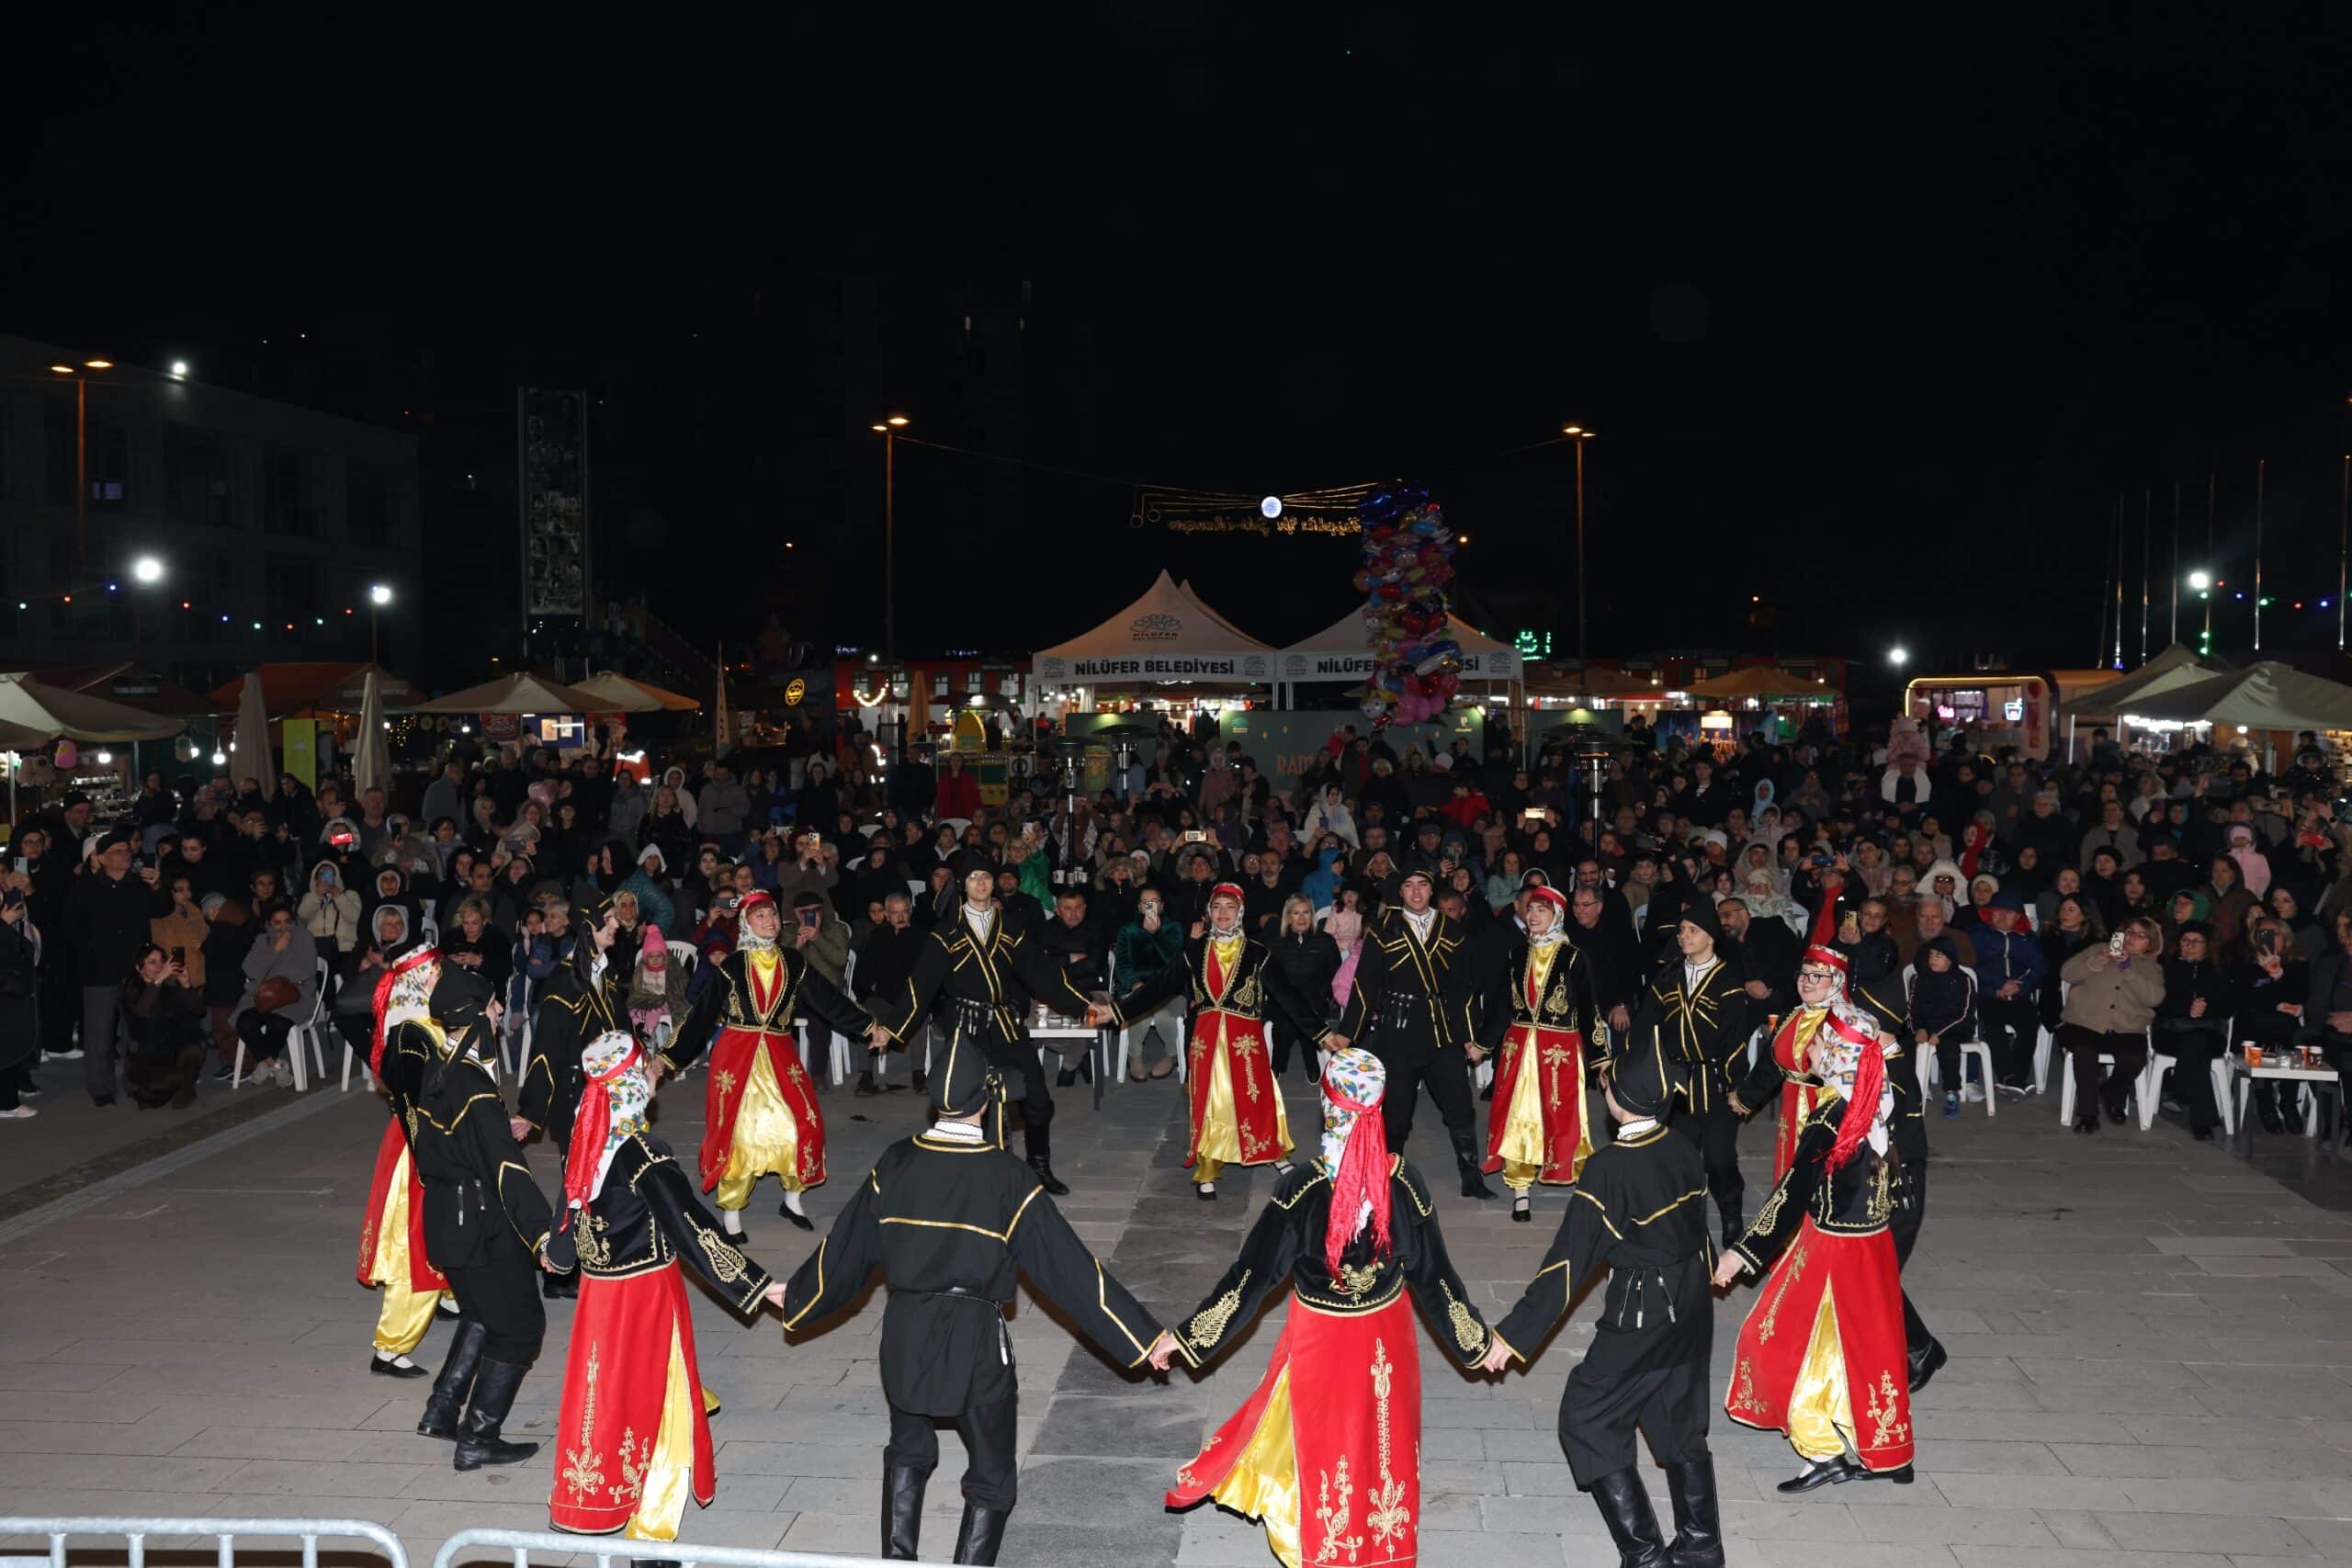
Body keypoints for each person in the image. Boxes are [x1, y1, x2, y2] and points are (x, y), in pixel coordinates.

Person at [778, 1030, 1169, 1565]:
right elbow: (1072, 1272)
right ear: (985, 1103)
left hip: (905, 1329)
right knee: (991, 1475)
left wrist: (796, 1295)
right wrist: (1142, 1337)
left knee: (908, 1449)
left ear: (936, 1100)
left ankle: (898, 1559)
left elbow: (845, 1249)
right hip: (975, 1339)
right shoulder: (1007, 1176)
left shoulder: (895, 1162)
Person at [1144, 1048, 1498, 1568]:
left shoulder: (1302, 1191)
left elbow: (1250, 1278)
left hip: (1325, 1342)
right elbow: (1437, 1279)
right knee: (1381, 1449)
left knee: (1327, 1449)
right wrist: (1478, 1344)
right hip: (1387, 1342)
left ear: (1329, 1107)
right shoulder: (1404, 1183)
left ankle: (1329, 1550)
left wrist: (1187, 1336)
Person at [1477, 1025, 1723, 1568]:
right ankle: (1703, 1546)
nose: (1602, 1085)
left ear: (1621, 1103)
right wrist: (1710, 1268)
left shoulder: (1610, 1167)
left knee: (1587, 1415)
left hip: (1643, 1310)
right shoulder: (1682, 1145)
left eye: (1607, 1081)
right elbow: (1698, 1224)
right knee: (1678, 1416)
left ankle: (1645, 1555)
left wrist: (1512, 1336)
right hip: (1691, 1305)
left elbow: (1568, 1263)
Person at [544, 1031, 787, 1540]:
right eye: (645, 1066)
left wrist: (557, 1254)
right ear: (631, 1081)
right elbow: (691, 1226)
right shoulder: (642, 1154)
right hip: (644, 1294)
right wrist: (755, 1285)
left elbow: (568, 1213)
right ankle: (652, 1518)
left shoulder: (589, 1139)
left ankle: (595, 1497)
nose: (654, 1071)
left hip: (598, 1297)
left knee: (602, 1393)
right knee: (659, 1394)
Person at [1714, 998, 1917, 1494]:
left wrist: (1742, 1252)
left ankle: (1823, 1450)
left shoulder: (1832, 1117)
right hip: (1873, 1249)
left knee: (1780, 1341)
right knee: (1867, 1348)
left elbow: (1791, 1191)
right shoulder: (1881, 1098)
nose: (1815, 1046)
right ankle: (1888, 1452)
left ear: (1839, 1053)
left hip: (1832, 1251)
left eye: (1823, 1041)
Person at [866, 866, 1112, 1197]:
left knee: (1037, 1096)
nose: (980, 883)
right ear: (963, 886)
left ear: (993, 883)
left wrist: (1085, 1005)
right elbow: (921, 984)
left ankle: (1039, 1168)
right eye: (972, 878)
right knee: (969, 1103)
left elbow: (1043, 973)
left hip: (1005, 1023)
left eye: (984, 877)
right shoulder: (947, 932)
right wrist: (892, 1029)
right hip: (966, 1027)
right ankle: (982, 1174)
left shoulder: (1010, 927)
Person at [653, 890, 879, 1233]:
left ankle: (792, 1200)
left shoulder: (794, 961)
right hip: (736, 1054)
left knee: (801, 1123)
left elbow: (828, 1001)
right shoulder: (731, 965)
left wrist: (869, 1026)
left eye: (772, 915)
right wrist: (665, 1059)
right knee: (741, 1134)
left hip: (779, 1053)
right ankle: (731, 1215)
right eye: (760, 916)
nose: (770, 921)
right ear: (746, 923)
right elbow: (700, 1018)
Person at [409, 964, 557, 1472]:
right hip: (479, 1222)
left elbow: (454, 1144)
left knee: (479, 1310)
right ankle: (478, 1437)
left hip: (446, 1218)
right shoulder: (472, 1085)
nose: (499, 1011)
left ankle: (442, 1407)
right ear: (473, 1015)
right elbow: (507, 1172)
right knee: (518, 1327)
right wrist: (543, 1235)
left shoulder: (439, 1067)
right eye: (492, 1005)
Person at [1109, 882, 1328, 1200]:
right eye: (1217, 907)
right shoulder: (1194, 952)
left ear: (1240, 912)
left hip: (1245, 1041)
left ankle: (1272, 1152)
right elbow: (1158, 988)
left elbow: (1289, 997)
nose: (1223, 913)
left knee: (1257, 1096)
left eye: (1230, 907)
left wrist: (1324, 1034)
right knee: (1212, 1101)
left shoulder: (1257, 953)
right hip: (1207, 1040)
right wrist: (1115, 1012)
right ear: (1208, 913)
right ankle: (1208, 1166)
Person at [1326, 865, 1494, 1199]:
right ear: (1399, 892)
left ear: (1432, 890)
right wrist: (1348, 1033)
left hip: (1440, 1028)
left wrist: (1470, 1037)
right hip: (1396, 1031)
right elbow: (1365, 985)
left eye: (1423, 885)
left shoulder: (1451, 930)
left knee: (1460, 1105)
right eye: (1408, 886)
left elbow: (1463, 990)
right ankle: (1389, 1176)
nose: (1416, 892)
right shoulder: (1382, 929)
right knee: (1397, 1111)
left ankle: (1471, 1176)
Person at [1473, 883, 1600, 1223]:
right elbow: (1501, 1006)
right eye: (1530, 909)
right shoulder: (1516, 955)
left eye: (1541, 911)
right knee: (1518, 1118)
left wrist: (1601, 1059)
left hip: (1558, 1051)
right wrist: (1483, 1044)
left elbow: (1588, 1011)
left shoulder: (1573, 957)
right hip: (1519, 1051)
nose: (1533, 916)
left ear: (1556, 916)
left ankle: (1579, 1183)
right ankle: (1520, 1190)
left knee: (1563, 1116)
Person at [1630, 903, 1751, 1249]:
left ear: (1710, 937)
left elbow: (1735, 1038)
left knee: (1718, 1158)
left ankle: (1730, 1212)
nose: (1683, 936)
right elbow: (1644, 1025)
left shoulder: (1727, 980)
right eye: (1681, 930)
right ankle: (1680, 1218)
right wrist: (1626, 1067)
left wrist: (1735, 1089)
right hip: (1677, 1081)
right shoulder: (1669, 976)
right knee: (1676, 1157)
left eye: (1691, 930)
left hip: (1714, 1082)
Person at [356, 941, 452, 1378]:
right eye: (433, 969)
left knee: (451, 1220)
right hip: (419, 1141)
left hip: (426, 1134)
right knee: (415, 1242)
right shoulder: (410, 1029)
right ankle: (390, 1345)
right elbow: (422, 1098)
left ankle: (454, 1293)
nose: (440, 974)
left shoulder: (419, 1018)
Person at [67, 831, 159, 1104]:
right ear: (103, 858)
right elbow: (70, 928)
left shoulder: (139, 885)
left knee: (136, 1033)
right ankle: (101, 1088)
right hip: (99, 972)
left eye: (127, 851)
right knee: (99, 1036)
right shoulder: (86, 887)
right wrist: (90, 953)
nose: (126, 855)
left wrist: (157, 887)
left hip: (134, 971)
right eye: (118, 852)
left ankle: (135, 1082)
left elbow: (161, 909)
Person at [2056, 916, 2165, 1134]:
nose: (2132, 938)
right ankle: (2088, 1115)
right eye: (2129, 931)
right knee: (2084, 1052)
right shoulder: (2098, 949)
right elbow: (2066, 973)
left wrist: (2128, 969)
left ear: (2150, 944)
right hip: (2084, 1023)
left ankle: (2112, 1093)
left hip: (2126, 1028)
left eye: (2140, 935)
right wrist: (2096, 962)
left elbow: (2154, 999)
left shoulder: (2152, 969)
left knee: (2134, 1057)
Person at [2158, 921, 2233, 1142]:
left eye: (2196, 941)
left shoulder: (2218, 973)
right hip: (2171, 1033)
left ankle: (2179, 1086)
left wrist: (2207, 1007)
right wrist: (2185, 1008)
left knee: (2197, 1043)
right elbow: (2156, 1004)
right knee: (2196, 1052)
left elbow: (2230, 1006)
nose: (2190, 945)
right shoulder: (2166, 970)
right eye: (2185, 940)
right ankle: (2203, 1120)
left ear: (2207, 946)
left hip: (2209, 1033)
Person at [1971, 890, 2046, 1100]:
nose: (2002, 917)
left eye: (2009, 913)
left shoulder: (2026, 938)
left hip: (2018, 996)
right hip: (1987, 994)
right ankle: (2008, 1076)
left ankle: (2017, 1079)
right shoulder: (1978, 934)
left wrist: (2019, 987)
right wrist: (1999, 984)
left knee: (2030, 1023)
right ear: (1989, 914)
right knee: (1993, 1026)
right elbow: (1970, 965)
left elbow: (2039, 968)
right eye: (1997, 912)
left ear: (2018, 917)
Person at [234, 908, 319, 1087]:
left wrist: (271, 975)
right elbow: (249, 969)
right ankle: (275, 1065)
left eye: (287, 922)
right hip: (264, 997)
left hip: (295, 997)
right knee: (244, 1022)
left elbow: (307, 970)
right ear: (268, 923)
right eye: (277, 923)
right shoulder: (262, 940)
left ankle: (264, 1063)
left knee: (278, 1024)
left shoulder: (304, 937)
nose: (282, 927)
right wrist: (275, 950)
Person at [119, 943, 208, 1111]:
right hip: (145, 1060)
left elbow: (200, 1010)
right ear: (139, 968)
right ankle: (179, 1087)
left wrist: (186, 984)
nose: (159, 966)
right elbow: (142, 1013)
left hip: (170, 1053)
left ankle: (183, 1094)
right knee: (154, 1096)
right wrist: (158, 981)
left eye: (161, 961)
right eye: (152, 962)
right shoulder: (131, 992)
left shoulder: (170, 990)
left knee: (196, 1048)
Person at [1265, 893, 1340, 1082]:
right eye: (1296, 913)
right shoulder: (1275, 942)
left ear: (1312, 915)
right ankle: (1280, 1060)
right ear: (1288, 917)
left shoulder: (1325, 941)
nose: (1301, 918)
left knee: (1306, 1016)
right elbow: (1269, 978)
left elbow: (1335, 975)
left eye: (1306, 912)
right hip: (1283, 1002)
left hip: (1315, 999)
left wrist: (1321, 995)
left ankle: (1310, 1060)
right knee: (1285, 1023)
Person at [1113, 886, 1184, 1082]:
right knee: (1138, 1014)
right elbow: (1122, 964)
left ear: (1162, 905)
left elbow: (1176, 961)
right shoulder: (1128, 930)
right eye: (1146, 902)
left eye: (1155, 901)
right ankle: (1134, 1056)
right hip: (1138, 986)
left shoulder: (1174, 928)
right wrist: (1134, 983)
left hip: (1169, 989)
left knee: (1164, 1016)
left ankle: (1171, 1054)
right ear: (1139, 906)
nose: (1150, 905)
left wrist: (1157, 933)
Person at [1907, 934, 1979, 1114]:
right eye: (1931, 955)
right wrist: (1919, 1028)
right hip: (1928, 1026)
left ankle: (1952, 1091)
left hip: (1956, 1028)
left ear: (1950, 959)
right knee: (1904, 1042)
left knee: (1948, 1048)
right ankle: (1913, 1090)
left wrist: (1940, 1032)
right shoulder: (1920, 979)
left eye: (1938, 956)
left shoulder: (1963, 980)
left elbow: (1963, 1014)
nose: (1932, 959)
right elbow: (1913, 1008)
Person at [0, 879, 37, 1118]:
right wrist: (3, 925)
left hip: (10, 990)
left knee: (10, 1044)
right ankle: (7, 1103)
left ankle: (7, 1100)